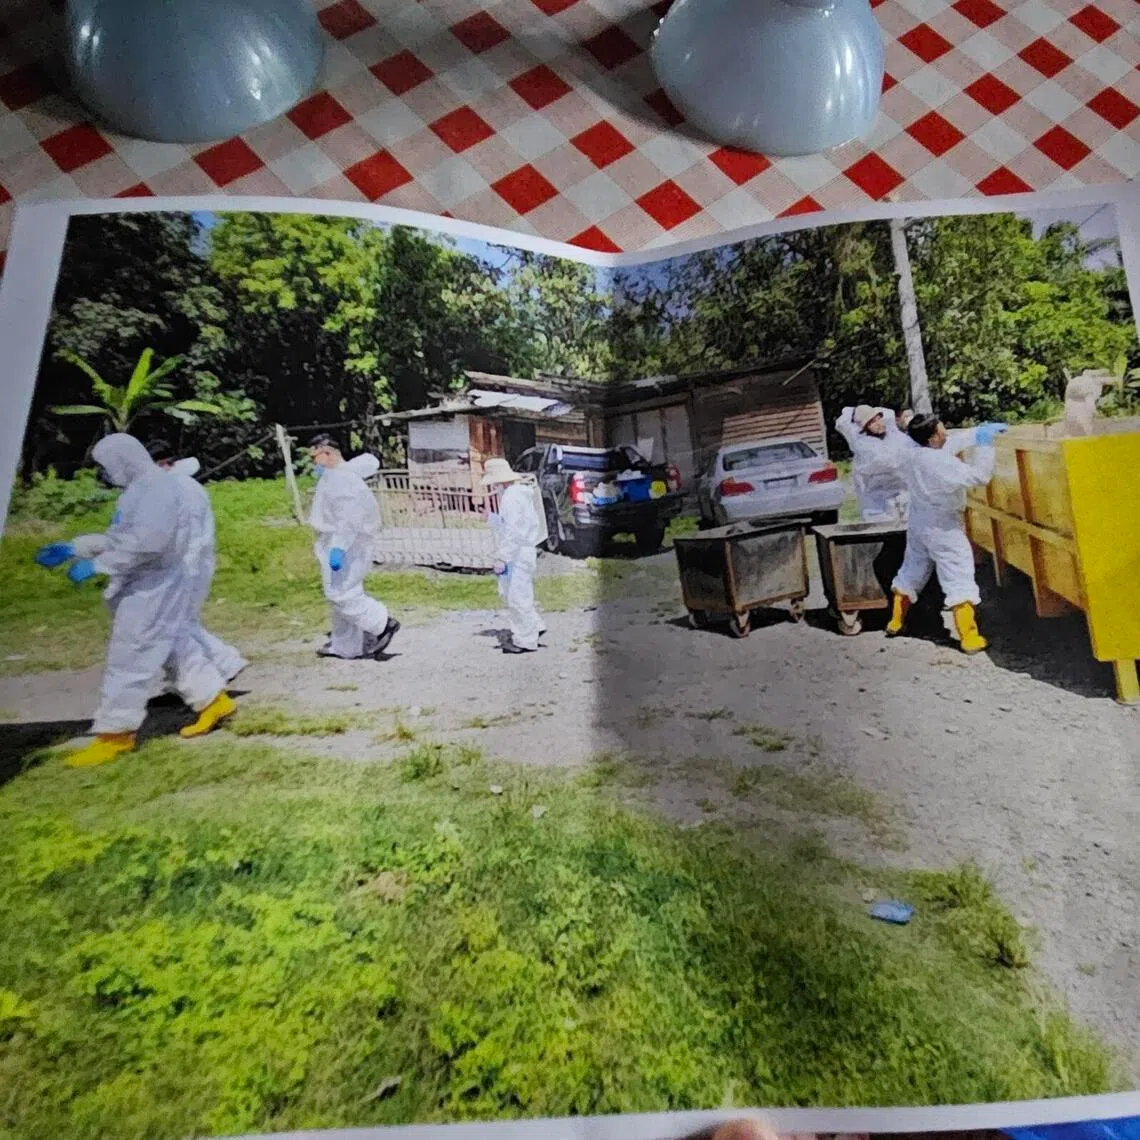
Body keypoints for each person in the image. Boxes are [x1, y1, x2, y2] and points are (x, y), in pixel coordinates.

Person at [34, 434, 237, 766]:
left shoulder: (156, 490)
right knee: (174, 645)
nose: (105, 474)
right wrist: (78, 547)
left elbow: (149, 543)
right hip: (149, 583)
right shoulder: (141, 490)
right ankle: (213, 701)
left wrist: (100, 565)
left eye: (106, 466)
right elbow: (122, 538)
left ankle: (115, 734)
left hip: (152, 587)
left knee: (130, 657)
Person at [886, 414, 1008, 653]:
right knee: (958, 574)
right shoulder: (939, 464)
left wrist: (975, 433)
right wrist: (984, 444)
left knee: (912, 570)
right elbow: (979, 477)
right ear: (932, 439)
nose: (946, 434)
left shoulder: (911, 453)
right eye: (942, 431)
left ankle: (896, 621)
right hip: (943, 526)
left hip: (919, 521)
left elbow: (946, 444)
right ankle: (969, 637)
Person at [308, 434, 398, 660]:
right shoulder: (337, 476)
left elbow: (348, 518)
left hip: (347, 544)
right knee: (342, 592)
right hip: (342, 541)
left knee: (341, 593)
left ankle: (383, 623)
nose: (313, 463)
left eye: (315, 457)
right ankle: (345, 646)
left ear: (327, 454)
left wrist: (339, 547)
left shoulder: (341, 479)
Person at [481, 456, 544, 654]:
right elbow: (513, 526)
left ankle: (525, 639)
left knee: (518, 598)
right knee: (519, 594)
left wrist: (502, 557)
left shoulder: (511, 496)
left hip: (517, 552)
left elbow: (514, 532)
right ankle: (534, 627)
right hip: (523, 550)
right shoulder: (519, 493)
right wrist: (492, 519)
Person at [835, 404, 910, 521]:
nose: (878, 424)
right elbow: (887, 463)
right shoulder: (864, 445)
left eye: (878, 419)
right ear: (865, 428)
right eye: (872, 422)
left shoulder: (893, 435)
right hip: (877, 500)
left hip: (903, 493)